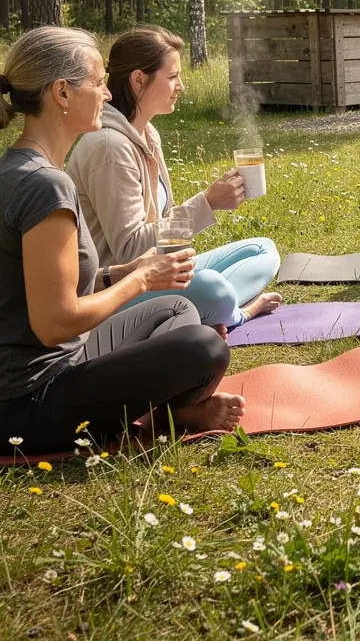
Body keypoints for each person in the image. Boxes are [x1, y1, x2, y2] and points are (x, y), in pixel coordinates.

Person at [0, 27, 244, 455]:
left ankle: (174, 413)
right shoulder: (43, 185)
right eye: (96, 83)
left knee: (178, 307)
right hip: (28, 402)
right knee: (205, 345)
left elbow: (36, 287)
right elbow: (54, 322)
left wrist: (118, 273)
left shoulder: (22, 169)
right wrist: (140, 280)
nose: (107, 95)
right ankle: (175, 414)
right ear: (61, 93)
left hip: (52, 365)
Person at [67, 27, 280, 331]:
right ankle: (237, 312)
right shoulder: (108, 148)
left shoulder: (147, 134)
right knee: (212, 288)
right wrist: (207, 203)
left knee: (264, 251)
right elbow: (130, 250)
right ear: (139, 79)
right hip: (118, 292)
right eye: (172, 77)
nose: (180, 86)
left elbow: (161, 229)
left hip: (158, 273)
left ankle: (211, 309)